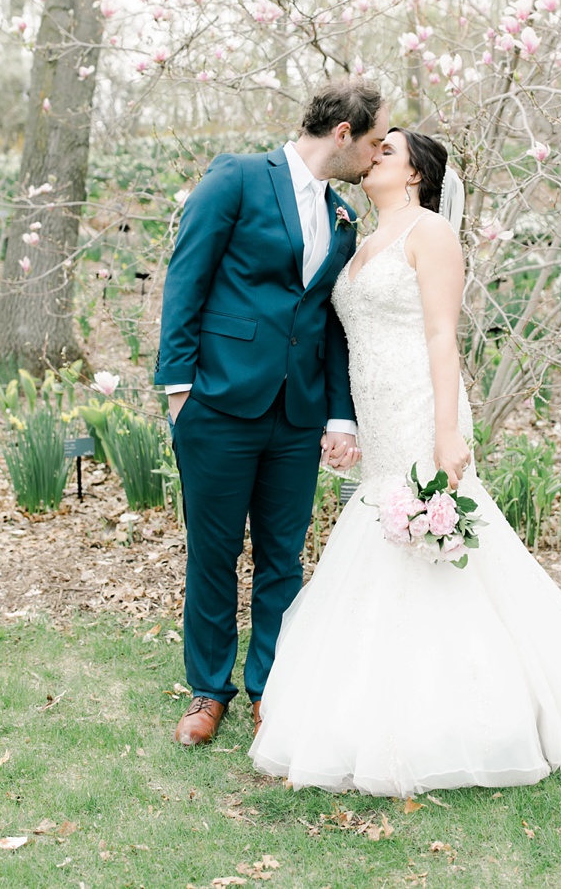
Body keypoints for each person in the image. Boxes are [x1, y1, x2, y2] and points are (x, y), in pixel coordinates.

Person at [249, 127, 561, 810]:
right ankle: (395, 704)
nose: (372, 154)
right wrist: (340, 423)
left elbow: (440, 331)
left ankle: (471, 718)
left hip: (420, 406)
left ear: (415, 175)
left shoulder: (430, 232)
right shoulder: (358, 238)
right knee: (383, 545)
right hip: (376, 414)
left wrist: (444, 432)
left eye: (388, 150)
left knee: (433, 548)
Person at [155, 77, 389, 746]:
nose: (375, 156)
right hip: (218, 405)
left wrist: (338, 416)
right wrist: (179, 391)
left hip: (296, 414)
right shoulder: (235, 179)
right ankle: (208, 691)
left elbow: (331, 325)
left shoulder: (343, 216)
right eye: (373, 142)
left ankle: (271, 687)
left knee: (283, 558)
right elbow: (186, 279)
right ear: (342, 132)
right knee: (213, 553)